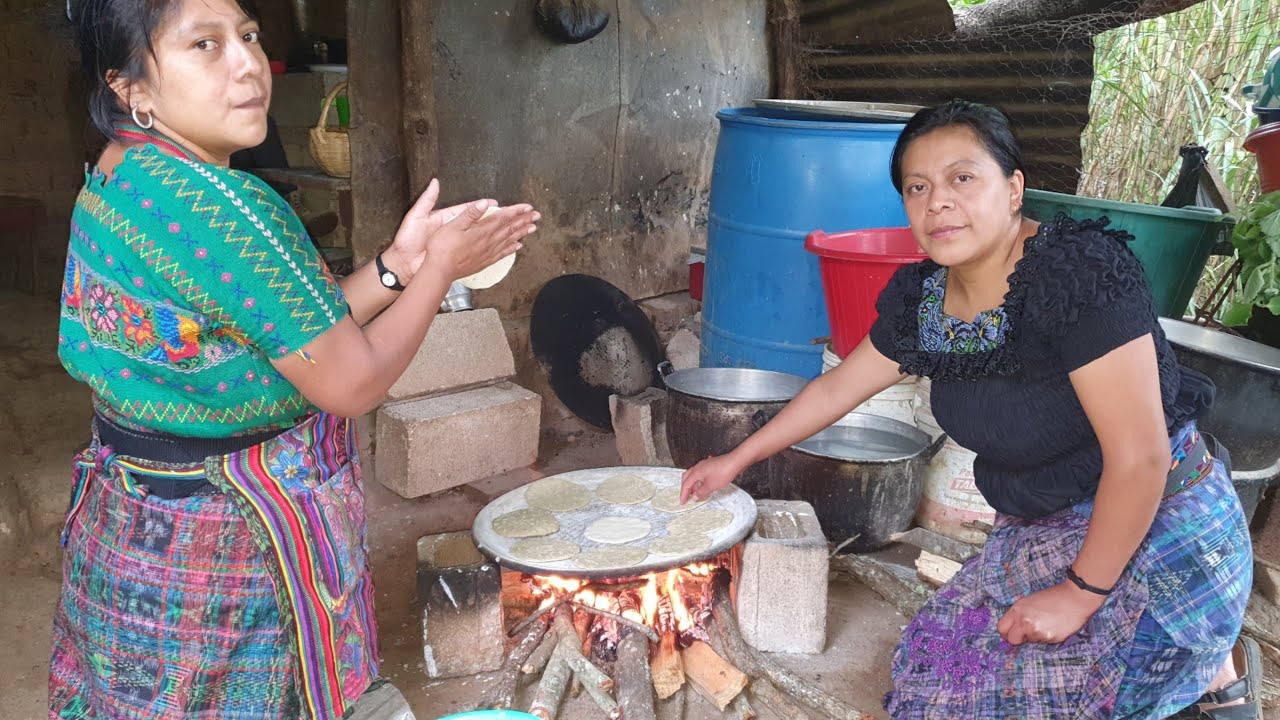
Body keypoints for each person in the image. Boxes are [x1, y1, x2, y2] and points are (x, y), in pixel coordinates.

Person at [681, 100, 1262, 719]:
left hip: (1160, 524)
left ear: (1013, 189)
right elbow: (834, 391)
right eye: (917, 187)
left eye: (963, 178)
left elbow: (1141, 458)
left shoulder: (1079, 276)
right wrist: (735, 458)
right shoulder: (924, 302)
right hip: (1047, 521)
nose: (938, 202)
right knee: (932, 674)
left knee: (1041, 699)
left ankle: (1219, 678)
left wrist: (1079, 594)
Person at [53, 1, 538, 718]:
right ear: (132, 88)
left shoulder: (118, 180)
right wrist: (442, 270)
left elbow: (283, 329)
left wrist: (396, 266)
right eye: (205, 46)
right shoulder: (229, 211)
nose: (247, 63)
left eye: (247, 36)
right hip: (230, 566)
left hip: (134, 544)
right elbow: (351, 379)